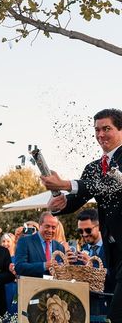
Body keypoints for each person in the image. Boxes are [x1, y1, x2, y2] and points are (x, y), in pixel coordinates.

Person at [42, 108, 122, 319]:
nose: (100, 135)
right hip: (113, 255)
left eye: (107, 128)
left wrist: (66, 183)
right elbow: (76, 199)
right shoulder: (93, 168)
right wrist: (57, 204)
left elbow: (108, 185)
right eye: (97, 130)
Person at [14, 212, 65, 277]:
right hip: (33, 286)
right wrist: (44, 265)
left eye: (53, 227)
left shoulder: (60, 247)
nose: (50, 230)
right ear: (40, 225)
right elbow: (19, 267)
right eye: (47, 226)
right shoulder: (25, 241)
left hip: (54, 286)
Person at [0, 232, 17, 317]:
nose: (5, 244)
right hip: (0, 290)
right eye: (3, 241)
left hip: (13, 290)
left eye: (8, 241)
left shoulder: (18, 259)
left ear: (14, 243)